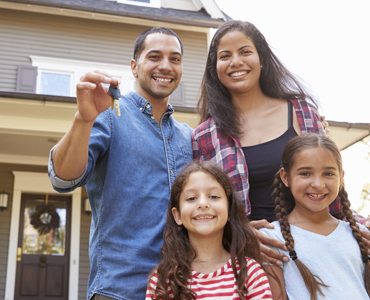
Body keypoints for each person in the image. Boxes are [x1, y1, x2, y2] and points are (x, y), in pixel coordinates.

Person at [191, 20, 369, 266]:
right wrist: (238, 235)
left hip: (315, 247)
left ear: (261, 59)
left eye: (245, 52)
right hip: (252, 257)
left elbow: (330, 181)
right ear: (215, 68)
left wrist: (357, 224)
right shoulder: (204, 135)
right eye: (225, 56)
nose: (236, 62)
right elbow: (205, 206)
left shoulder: (302, 111)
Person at [48, 27, 193, 300]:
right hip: (119, 291)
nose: (166, 65)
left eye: (175, 58)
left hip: (180, 290)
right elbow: (61, 179)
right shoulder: (108, 115)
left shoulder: (188, 136)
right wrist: (84, 118)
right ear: (134, 67)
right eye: (155, 56)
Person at [259, 134, 370, 300]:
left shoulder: (359, 234)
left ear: (341, 177)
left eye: (328, 174)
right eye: (305, 173)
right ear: (285, 177)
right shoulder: (271, 238)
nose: (318, 184)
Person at [146, 161, 272, 300]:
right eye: (191, 198)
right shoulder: (164, 279)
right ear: (177, 215)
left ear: (230, 210)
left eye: (213, 196)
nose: (203, 204)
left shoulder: (249, 272)